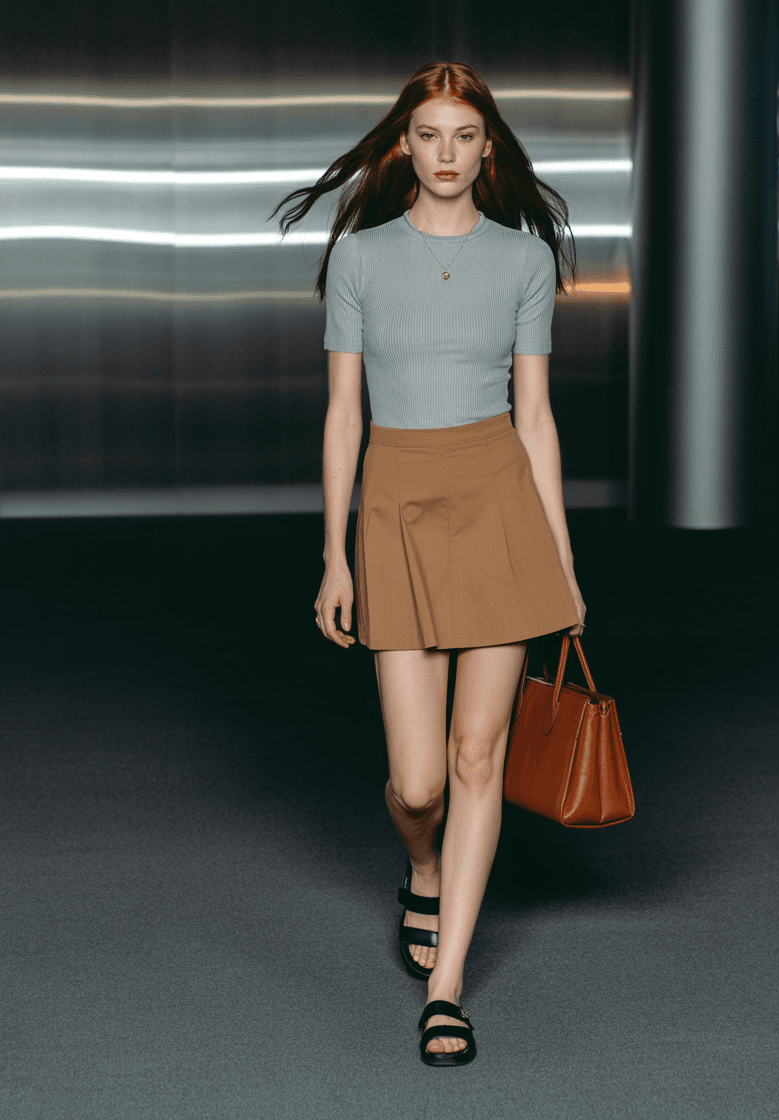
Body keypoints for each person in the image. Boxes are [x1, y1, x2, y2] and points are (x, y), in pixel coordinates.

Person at [271, 60, 586, 1067]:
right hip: (397, 505)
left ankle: (446, 987)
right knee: (417, 786)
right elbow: (342, 417)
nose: (446, 153)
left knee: (475, 757)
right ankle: (423, 868)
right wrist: (335, 557)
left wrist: (561, 561)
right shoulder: (362, 260)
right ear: (402, 146)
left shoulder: (523, 258)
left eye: (464, 136)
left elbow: (535, 418)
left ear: (488, 149)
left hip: (497, 505)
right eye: (429, 135)